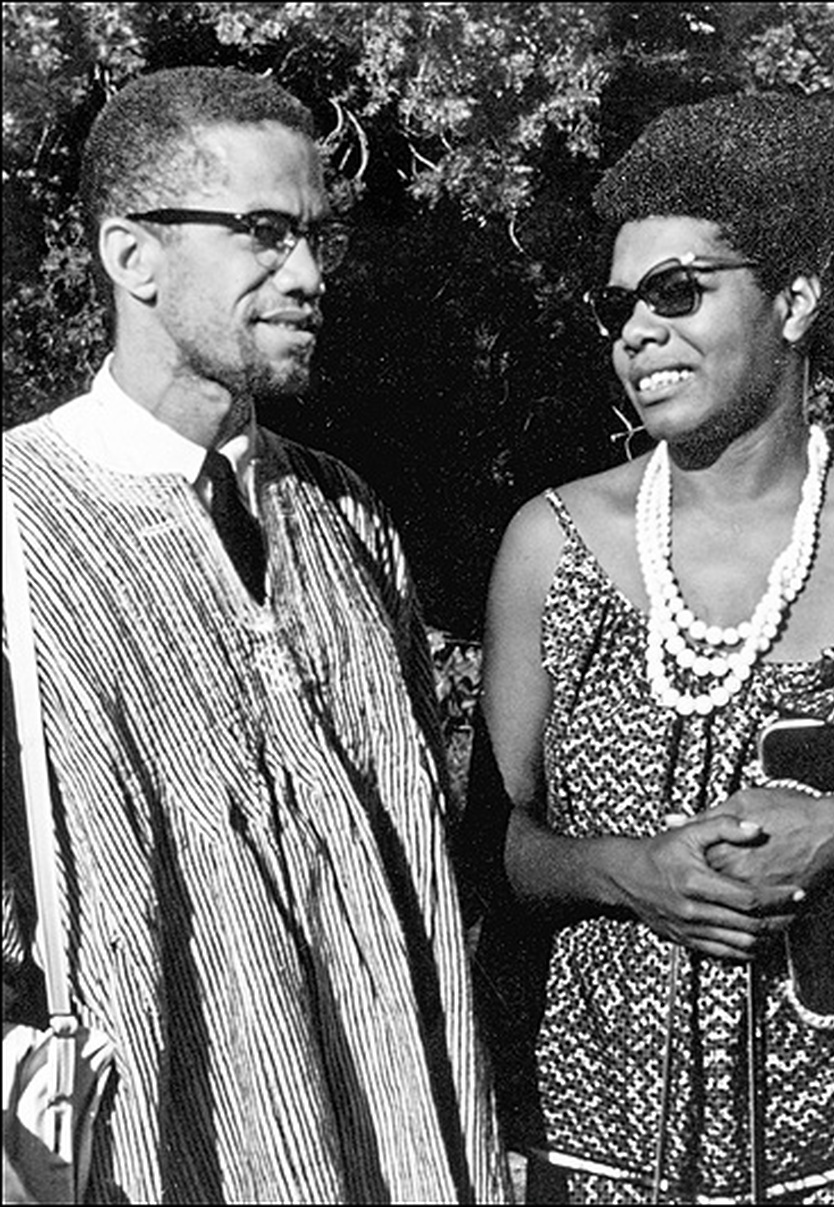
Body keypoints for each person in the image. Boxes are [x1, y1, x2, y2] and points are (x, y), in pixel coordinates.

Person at [472, 93, 834, 1204]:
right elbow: (490, 847)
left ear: (796, 298)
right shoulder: (552, 548)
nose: (636, 333)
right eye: (619, 305)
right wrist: (627, 873)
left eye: (678, 292)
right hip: (594, 1155)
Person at [2, 66, 508, 1204]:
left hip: (406, 1153)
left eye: (318, 238)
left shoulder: (348, 515)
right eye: (265, 235)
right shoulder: (14, 521)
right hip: (152, 1156)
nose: (310, 276)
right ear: (133, 256)